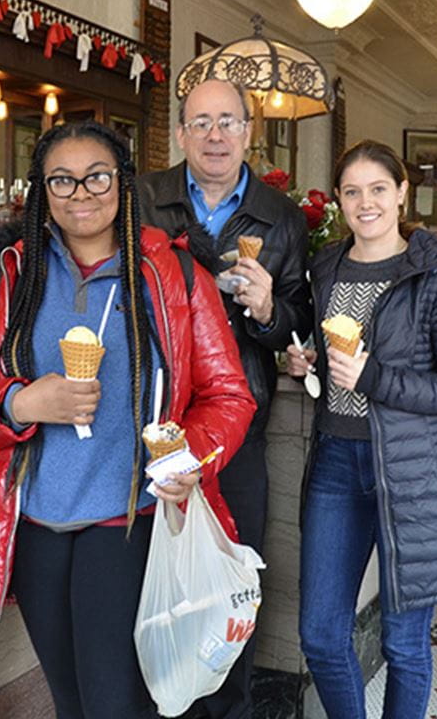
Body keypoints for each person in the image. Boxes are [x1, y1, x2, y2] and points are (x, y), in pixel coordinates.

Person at [0, 121, 255, 719]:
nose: (80, 193)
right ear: (43, 191)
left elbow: (228, 395)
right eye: (62, 179)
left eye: (97, 176)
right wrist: (22, 404)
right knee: (71, 703)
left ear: (123, 184)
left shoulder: (176, 274)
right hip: (35, 524)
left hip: (128, 519)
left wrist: (191, 456)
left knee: (116, 705)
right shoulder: (13, 276)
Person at [286, 140, 437, 718]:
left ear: (402, 193)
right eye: (352, 191)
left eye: (378, 189)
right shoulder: (325, 268)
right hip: (335, 465)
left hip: (411, 470)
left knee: (403, 645)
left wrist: (373, 375)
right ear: (341, 201)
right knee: (321, 635)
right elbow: (328, 359)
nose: (364, 202)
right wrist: (307, 365)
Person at [138, 77, 311, 719]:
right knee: (147, 580)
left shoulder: (282, 216)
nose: (215, 135)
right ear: (180, 133)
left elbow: (299, 322)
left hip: (237, 427)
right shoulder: (141, 200)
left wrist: (268, 310)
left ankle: (228, 710)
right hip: (150, 422)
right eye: (201, 122)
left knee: (232, 577)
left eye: (228, 122)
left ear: (248, 133)